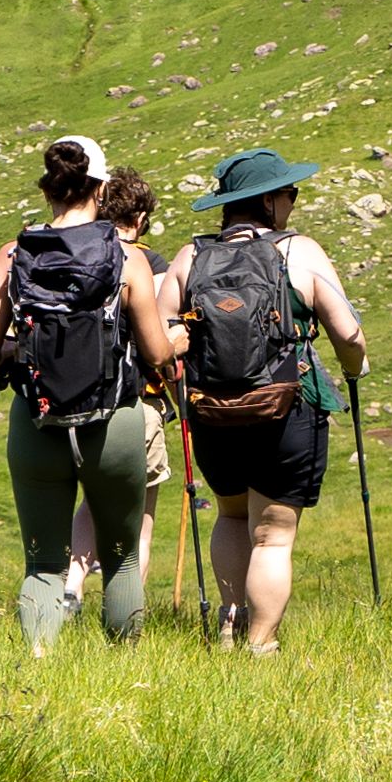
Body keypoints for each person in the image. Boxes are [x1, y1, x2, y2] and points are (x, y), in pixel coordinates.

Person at [0, 135, 179, 650]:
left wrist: (27, 351)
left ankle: (40, 660)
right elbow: (156, 354)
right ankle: (122, 664)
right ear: (101, 188)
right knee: (122, 554)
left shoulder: (14, 254)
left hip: (37, 420)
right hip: (115, 421)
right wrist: (177, 340)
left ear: (50, 189)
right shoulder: (126, 259)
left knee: (43, 562)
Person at [164, 146, 366, 653]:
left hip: (212, 414)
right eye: (289, 194)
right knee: (273, 536)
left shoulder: (192, 257)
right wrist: (353, 368)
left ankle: (229, 628)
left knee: (231, 516)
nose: (293, 202)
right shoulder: (301, 252)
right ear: (269, 201)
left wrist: (181, 396)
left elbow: (162, 341)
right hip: (285, 407)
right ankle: (261, 645)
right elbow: (349, 333)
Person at [66, 167, 168, 590]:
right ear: (141, 217)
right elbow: (157, 342)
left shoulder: (78, 255)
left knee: (92, 500)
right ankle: (127, 606)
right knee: (141, 512)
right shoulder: (146, 262)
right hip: (136, 400)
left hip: (77, 398)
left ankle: (71, 586)